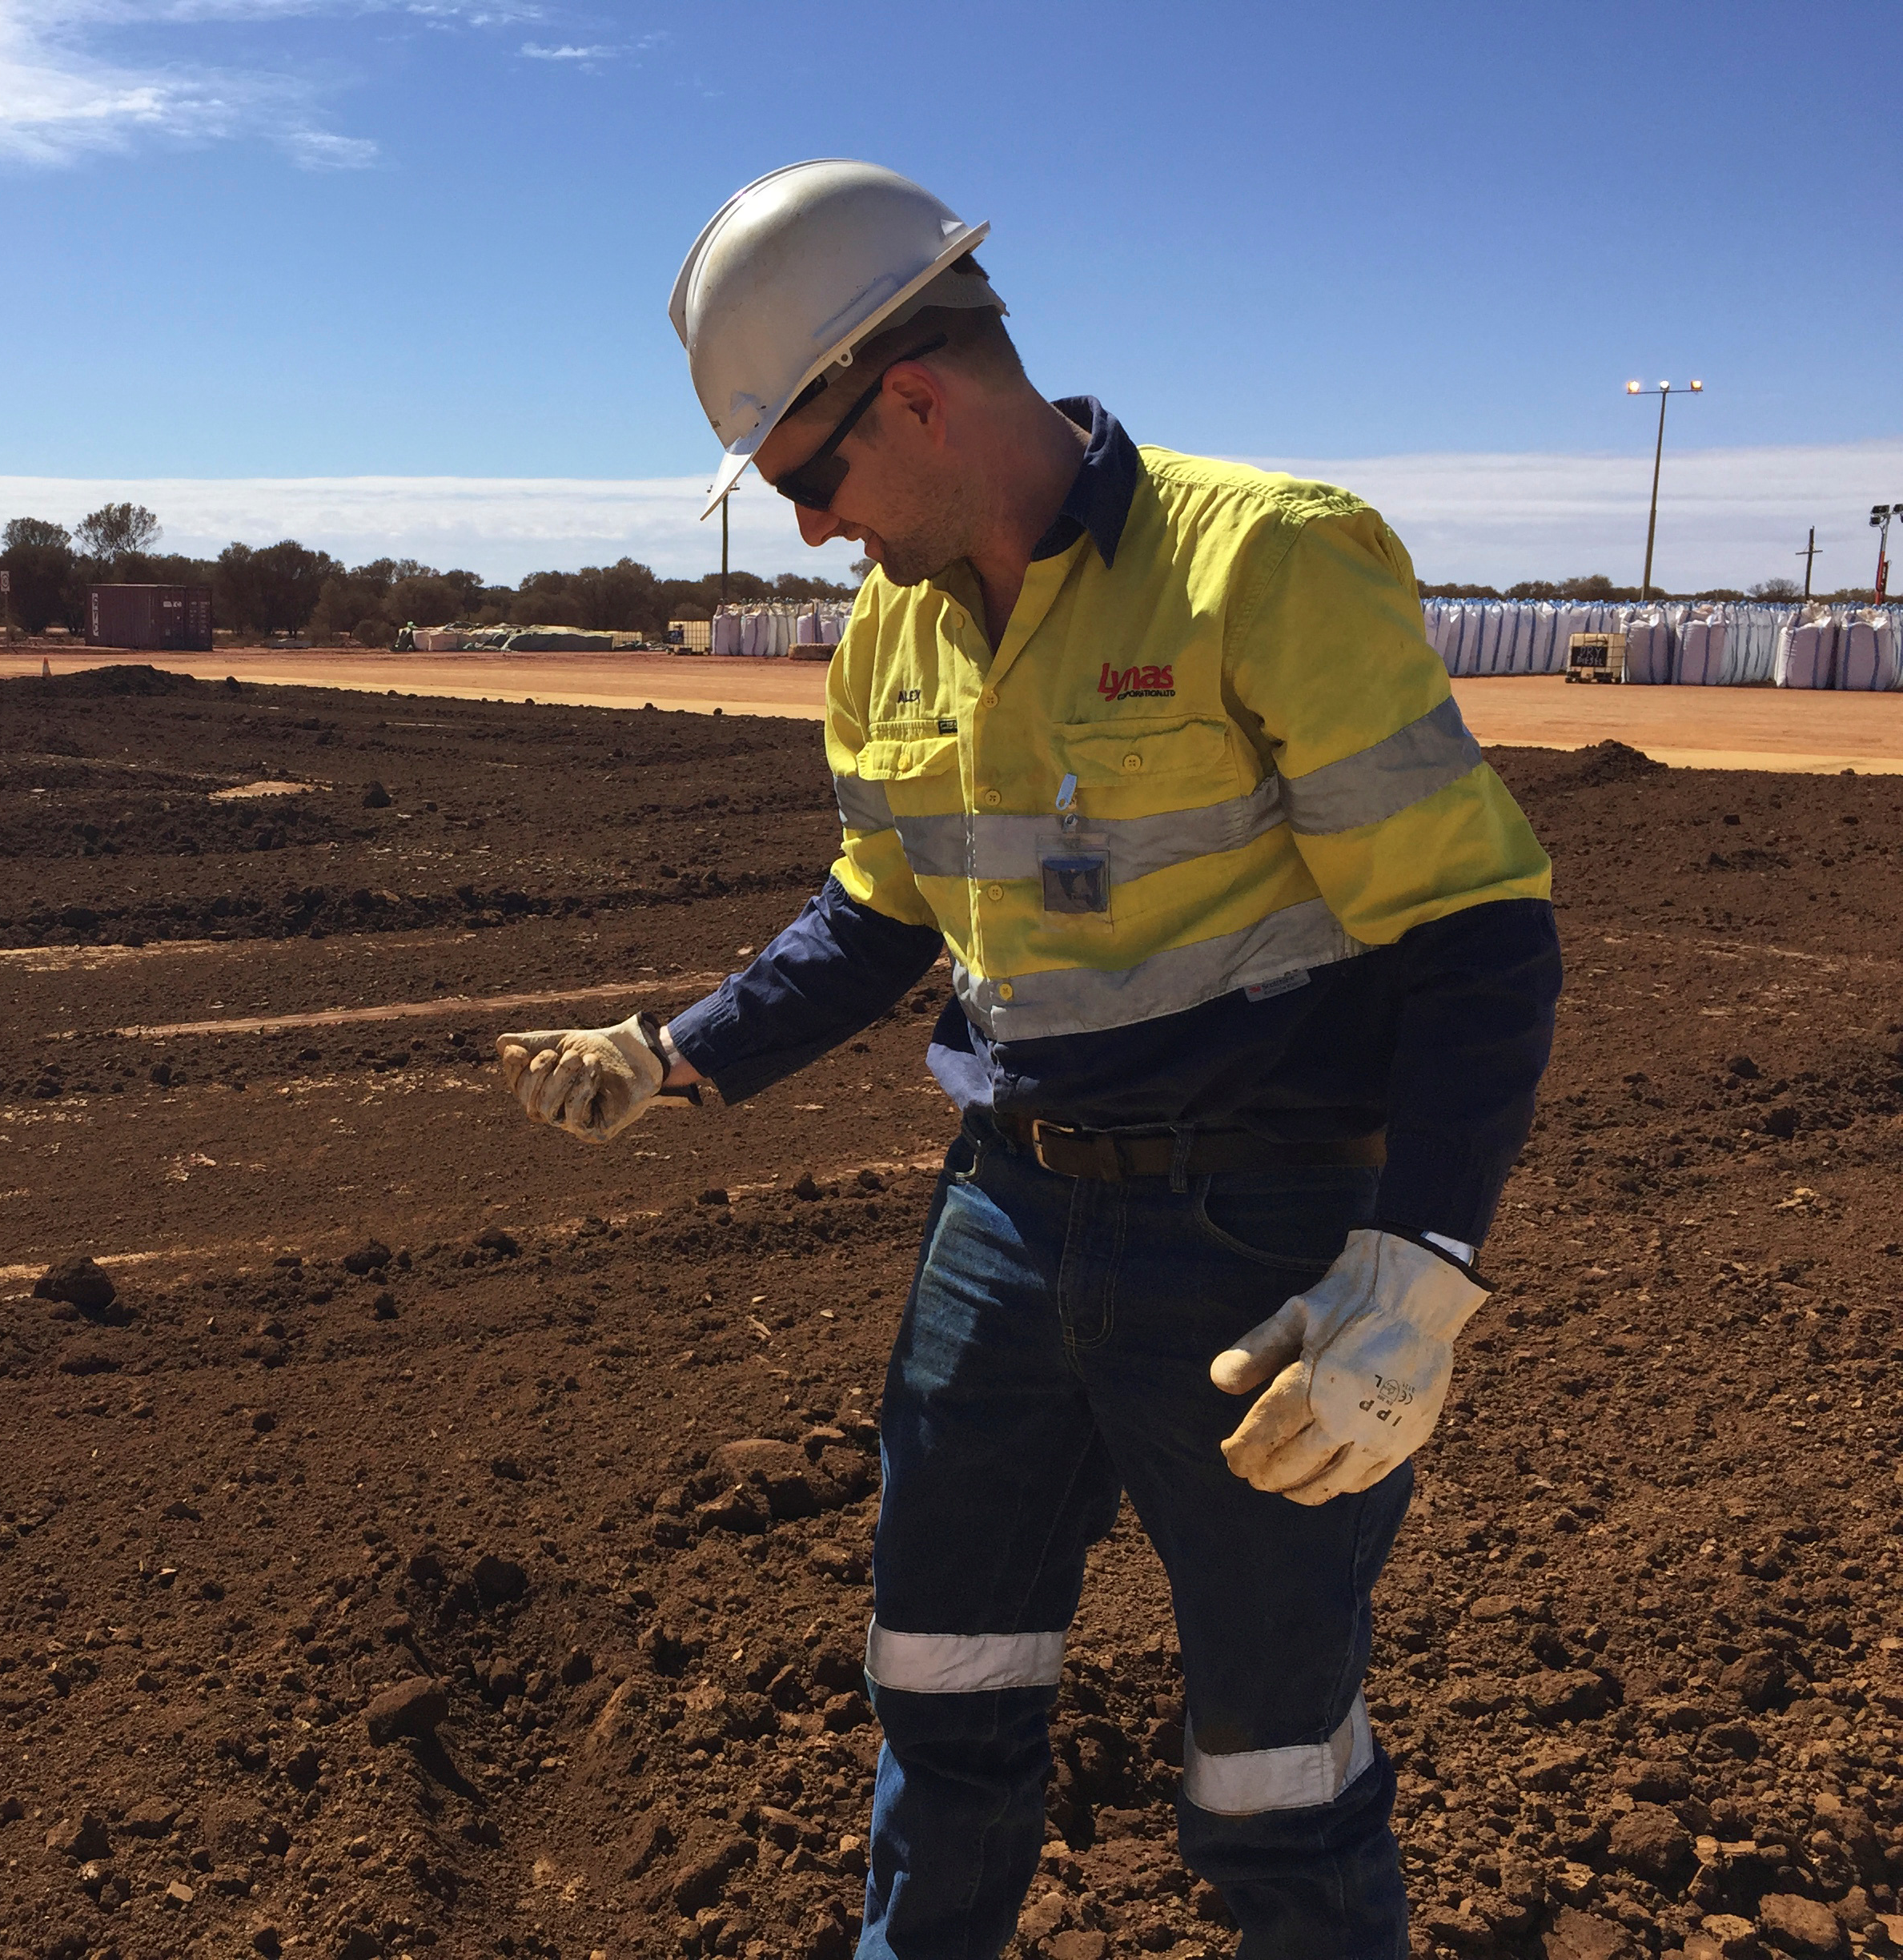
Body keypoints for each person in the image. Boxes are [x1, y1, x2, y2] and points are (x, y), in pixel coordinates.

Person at [493, 161, 1560, 1960]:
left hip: (1263, 1245)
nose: (817, 536)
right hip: (1007, 1218)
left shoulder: (1265, 563)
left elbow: (1473, 932)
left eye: (808, 483)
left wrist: (1421, 1272)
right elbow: (876, 916)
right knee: (941, 1689)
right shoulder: (888, 637)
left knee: (1275, 1772)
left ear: (912, 396)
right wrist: (674, 1055)